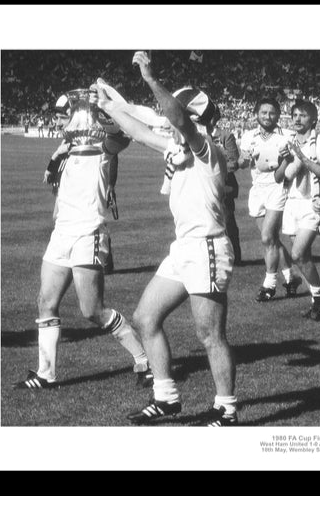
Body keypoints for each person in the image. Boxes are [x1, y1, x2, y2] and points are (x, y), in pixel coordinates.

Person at [101, 50, 238, 426]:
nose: (166, 117)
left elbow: (173, 116)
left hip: (208, 246)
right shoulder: (179, 145)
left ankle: (226, 408)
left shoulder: (205, 146)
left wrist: (149, 78)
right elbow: (140, 132)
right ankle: (166, 397)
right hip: (185, 247)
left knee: (210, 334)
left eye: (176, 111)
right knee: (146, 318)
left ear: (194, 116)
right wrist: (109, 107)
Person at [15, 88, 151, 390]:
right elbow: (57, 186)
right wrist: (55, 161)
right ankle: (45, 373)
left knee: (92, 311)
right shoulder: (66, 152)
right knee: (45, 302)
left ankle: (144, 359)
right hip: (61, 233)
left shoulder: (104, 149)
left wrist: (104, 110)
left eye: (77, 120)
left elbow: (121, 137)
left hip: (87, 232)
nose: (72, 125)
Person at [275, 99, 320, 320]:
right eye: (295, 115)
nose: (297, 119)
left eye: (302, 115)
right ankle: (317, 301)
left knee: (298, 253)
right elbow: (278, 178)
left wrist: (303, 159)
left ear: (313, 119)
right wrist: (284, 162)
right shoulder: (287, 141)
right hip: (290, 202)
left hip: (312, 202)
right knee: (303, 256)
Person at [239, 97, 301, 301]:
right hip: (257, 190)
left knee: (267, 238)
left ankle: (269, 284)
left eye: (272, 113)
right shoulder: (248, 136)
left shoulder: (287, 136)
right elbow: (242, 162)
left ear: (278, 115)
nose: (268, 116)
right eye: (264, 112)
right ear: (257, 114)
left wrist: (287, 160)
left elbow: (294, 164)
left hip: (278, 188)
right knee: (272, 240)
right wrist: (243, 159)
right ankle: (291, 277)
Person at [211, 107, 243, 265]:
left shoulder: (226, 136)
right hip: (204, 184)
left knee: (227, 221)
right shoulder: (198, 136)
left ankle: (235, 256)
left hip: (225, 185)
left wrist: (216, 171)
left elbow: (234, 163)